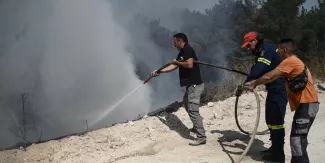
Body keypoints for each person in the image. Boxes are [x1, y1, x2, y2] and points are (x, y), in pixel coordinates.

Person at [246, 38, 319, 163]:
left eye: (279, 49)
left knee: (297, 139)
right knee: (298, 139)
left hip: (307, 104)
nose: (277, 52)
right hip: (306, 105)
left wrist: (255, 82)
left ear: (284, 50)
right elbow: (270, 78)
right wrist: (255, 82)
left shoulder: (290, 61)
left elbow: (269, 76)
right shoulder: (291, 62)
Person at [151, 32, 206, 146]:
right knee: (186, 104)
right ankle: (197, 127)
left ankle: (201, 137)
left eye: (175, 42)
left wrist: (177, 62)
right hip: (191, 86)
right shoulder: (182, 52)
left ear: (180, 41)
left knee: (192, 110)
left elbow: (189, 64)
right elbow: (174, 66)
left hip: (195, 85)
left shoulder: (187, 49)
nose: (174, 44)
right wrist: (160, 71)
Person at [240, 31, 288, 162]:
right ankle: (274, 148)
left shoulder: (266, 49)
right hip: (273, 88)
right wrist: (249, 79)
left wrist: (247, 82)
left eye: (248, 46)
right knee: (271, 119)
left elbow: (260, 67)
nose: (248, 49)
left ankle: (278, 155)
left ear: (254, 41)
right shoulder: (263, 50)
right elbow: (256, 67)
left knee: (277, 122)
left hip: (280, 88)